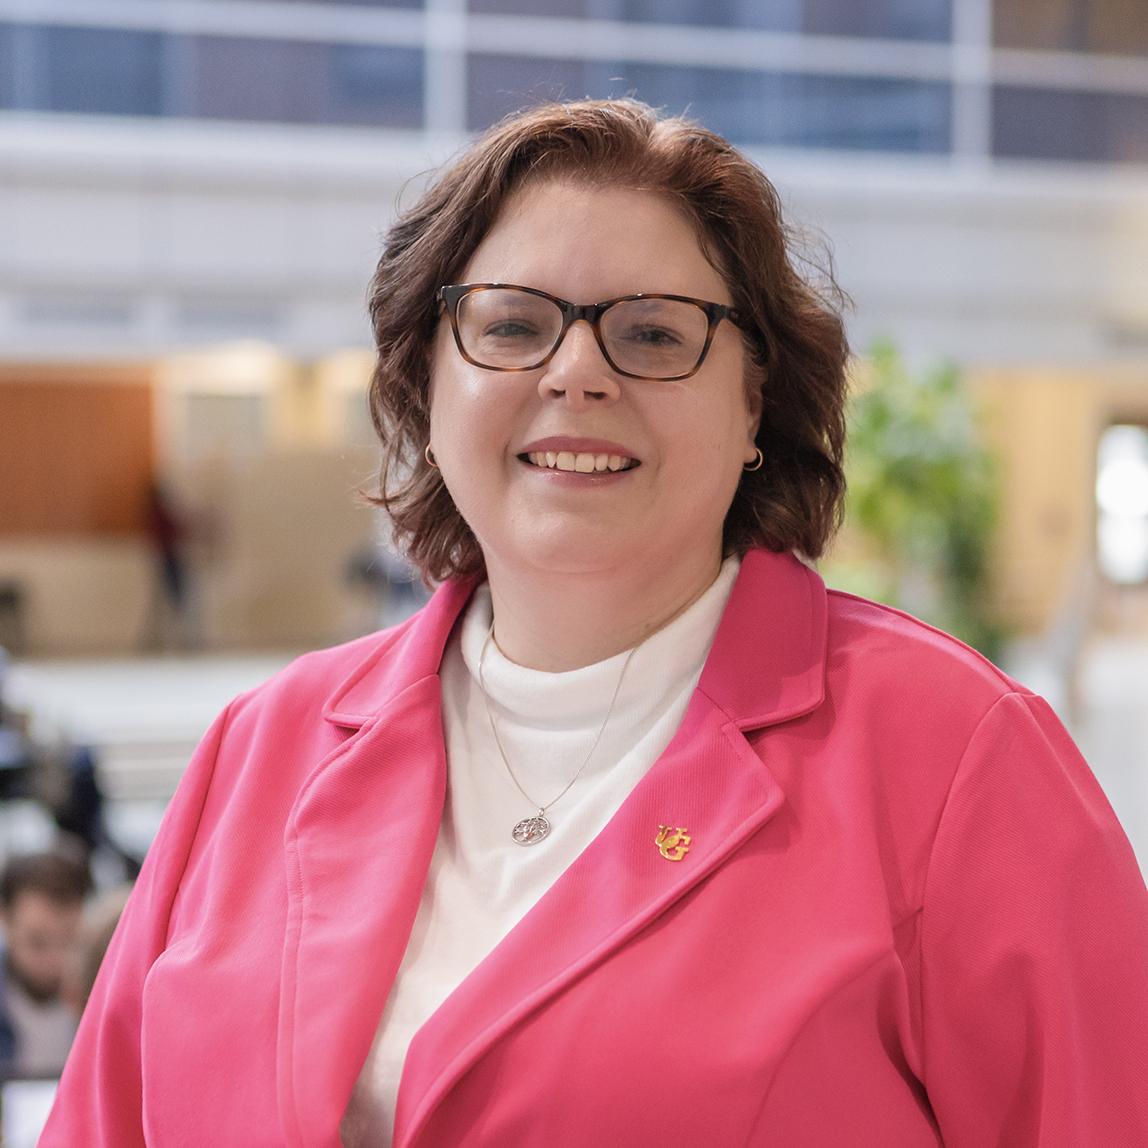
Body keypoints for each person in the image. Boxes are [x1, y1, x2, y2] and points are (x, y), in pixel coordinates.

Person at [42, 99, 1148, 1146]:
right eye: (511, 324)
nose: (574, 372)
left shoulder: (955, 760)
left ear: (753, 398)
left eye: (656, 336)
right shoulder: (261, 746)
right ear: (427, 382)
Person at [0, 851, 90, 1078]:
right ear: (4, 919)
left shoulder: (100, 996)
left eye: (69, 942)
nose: (55, 961)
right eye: (37, 943)